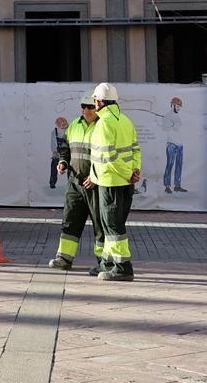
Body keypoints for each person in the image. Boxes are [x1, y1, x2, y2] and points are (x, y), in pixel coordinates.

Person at [86, 81, 141, 282]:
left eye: (94, 101)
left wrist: (127, 173)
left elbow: (108, 156)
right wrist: (134, 171)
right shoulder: (125, 120)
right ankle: (107, 264)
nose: (93, 104)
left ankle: (122, 267)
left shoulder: (103, 124)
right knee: (113, 226)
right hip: (126, 182)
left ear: (99, 101)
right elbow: (135, 149)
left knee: (113, 226)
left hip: (111, 182)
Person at [49, 96, 102, 273]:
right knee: (70, 220)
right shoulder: (74, 126)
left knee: (99, 224)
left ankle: (104, 262)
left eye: (90, 107)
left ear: (97, 107)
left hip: (96, 185)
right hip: (75, 183)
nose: (87, 110)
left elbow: (106, 156)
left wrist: (96, 177)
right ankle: (64, 258)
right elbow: (65, 149)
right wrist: (63, 162)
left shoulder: (103, 126)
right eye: (84, 107)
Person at [164, 96, 186, 193]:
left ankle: (177, 185)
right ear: (172, 105)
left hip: (180, 145)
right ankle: (167, 186)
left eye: (179, 106)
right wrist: (174, 126)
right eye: (177, 106)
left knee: (179, 165)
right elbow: (165, 129)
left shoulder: (179, 117)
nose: (178, 108)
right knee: (170, 164)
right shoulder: (167, 116)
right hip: (171, 145)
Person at [48, 114, 69, 190]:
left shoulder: (69, 131)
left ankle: (70, 183)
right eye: (61, 124)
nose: (63, 126)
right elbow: (53, 143)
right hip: (57, 152)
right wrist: (55, 151)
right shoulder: (54, 132)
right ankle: (52, 183)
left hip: (67, 152)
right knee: (54, 165)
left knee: (70, 168)